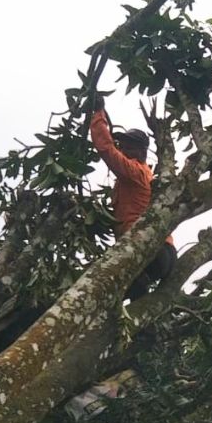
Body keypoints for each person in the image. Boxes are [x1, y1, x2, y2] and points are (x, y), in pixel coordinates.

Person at [89, 95, 175, 300]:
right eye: (122, 145)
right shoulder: (142, 174)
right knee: (127, 296)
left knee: (103, 290)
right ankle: (143, 323)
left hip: (150, 248)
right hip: (162, 251)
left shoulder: (135, 172)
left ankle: (138, 284)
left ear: (141, 151)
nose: (123, 150)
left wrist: (97, 114)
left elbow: (107, 150)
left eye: (128, 146)